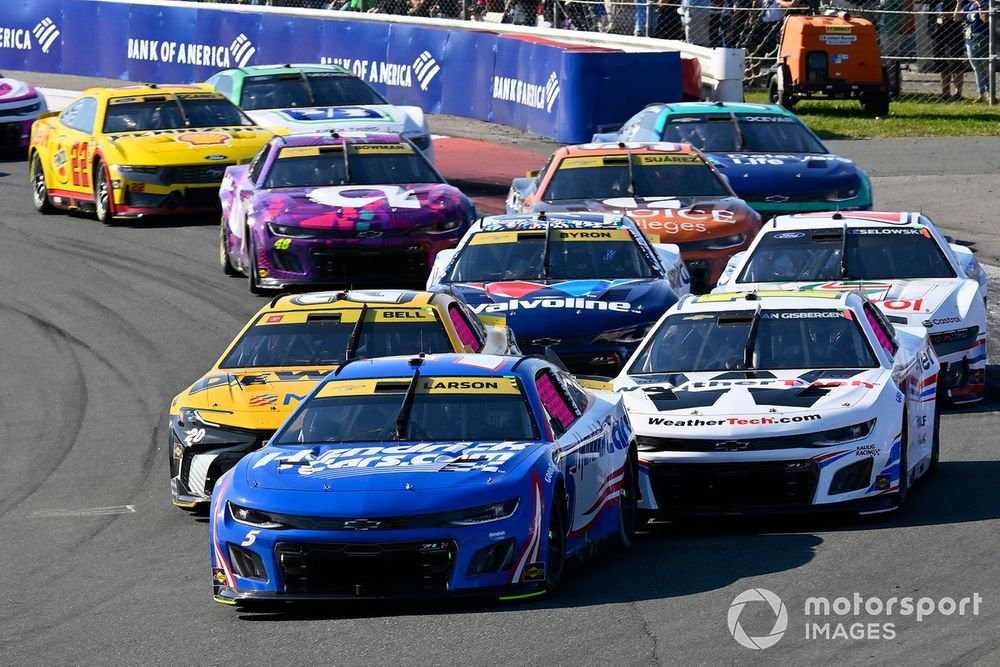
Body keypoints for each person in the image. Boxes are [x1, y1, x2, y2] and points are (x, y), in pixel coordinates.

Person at [929, 0, 969, 99]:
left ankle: (958, 93)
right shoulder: (935, 2)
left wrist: (949, 15)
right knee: (942, 63)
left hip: (954, 34)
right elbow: (932, 15)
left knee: (956, 63)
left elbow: (964, 13)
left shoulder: (958, 1)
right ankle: (945, 92)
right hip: (939, 34)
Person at [957, 0, 991, 101]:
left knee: (986, 67)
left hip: (983, 38)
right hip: (970, 39)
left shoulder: (988, 3)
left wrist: (980, 5)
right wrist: (959, 4)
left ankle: (990, 93)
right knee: (977, 67)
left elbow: (985, 19)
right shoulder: (969, 5)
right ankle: (981, 93)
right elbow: (957, 18)